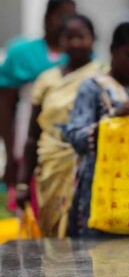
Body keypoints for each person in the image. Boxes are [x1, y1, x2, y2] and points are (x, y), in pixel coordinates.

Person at [63, 22, 129, 237]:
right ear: (113, 51)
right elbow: (74, 135)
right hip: (103, 194)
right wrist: (112, 118)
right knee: (96, 261)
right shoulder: (93, 87)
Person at [15, 14, 102, 237]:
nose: (75, 43)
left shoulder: (103, 76)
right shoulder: (46, 79)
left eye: (81, 36)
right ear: (59, 41)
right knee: (52, 241)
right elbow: (33, 134)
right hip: (50, 167)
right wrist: (23, 183)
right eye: (68, 37)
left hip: (88, 169)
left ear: (93, 39)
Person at [0, 0, 76, 193]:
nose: (65, 24)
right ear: (47, 18)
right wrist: (10, 156)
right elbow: (6, 105)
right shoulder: (21, 53)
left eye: (71, 17)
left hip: (69, 153)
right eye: (61, 16)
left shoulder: (82, 56)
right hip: (27, 147)